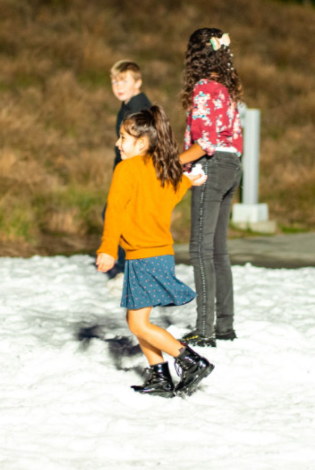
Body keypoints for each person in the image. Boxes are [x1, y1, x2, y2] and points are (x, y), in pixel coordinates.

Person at [96, 107, 215, 397]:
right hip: (160, 254)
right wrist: (188, 181)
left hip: (144, 255)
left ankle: (191, 361)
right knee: (138, 321)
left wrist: (108, 248)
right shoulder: (159, 168)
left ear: (141, 143)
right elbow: (168, 197)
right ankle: (160, 377)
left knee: (138, 322)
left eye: (122, 137)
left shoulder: (126, 169)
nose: (117, 143)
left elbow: (115, 211)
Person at [176, 28, 244, 347]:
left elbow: (205, 142)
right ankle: (225, 326)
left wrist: (175, 162)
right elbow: (231, 135)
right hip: (232, 167)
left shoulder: (204, 88)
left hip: (211, 168)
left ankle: (204, 329)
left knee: (200, 250)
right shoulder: (227, 89)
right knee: (218, 250)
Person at [104, 60, 153, 281]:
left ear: (138, 82)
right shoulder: (128, 105)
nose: (118, 86)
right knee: (114, 214)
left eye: (124, 81)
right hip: (126, 168)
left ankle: (127, 268)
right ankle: (125, 265)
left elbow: (144, 144)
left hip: (134, 171)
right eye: (114, 81)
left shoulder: (137, 108)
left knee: (122, 217)